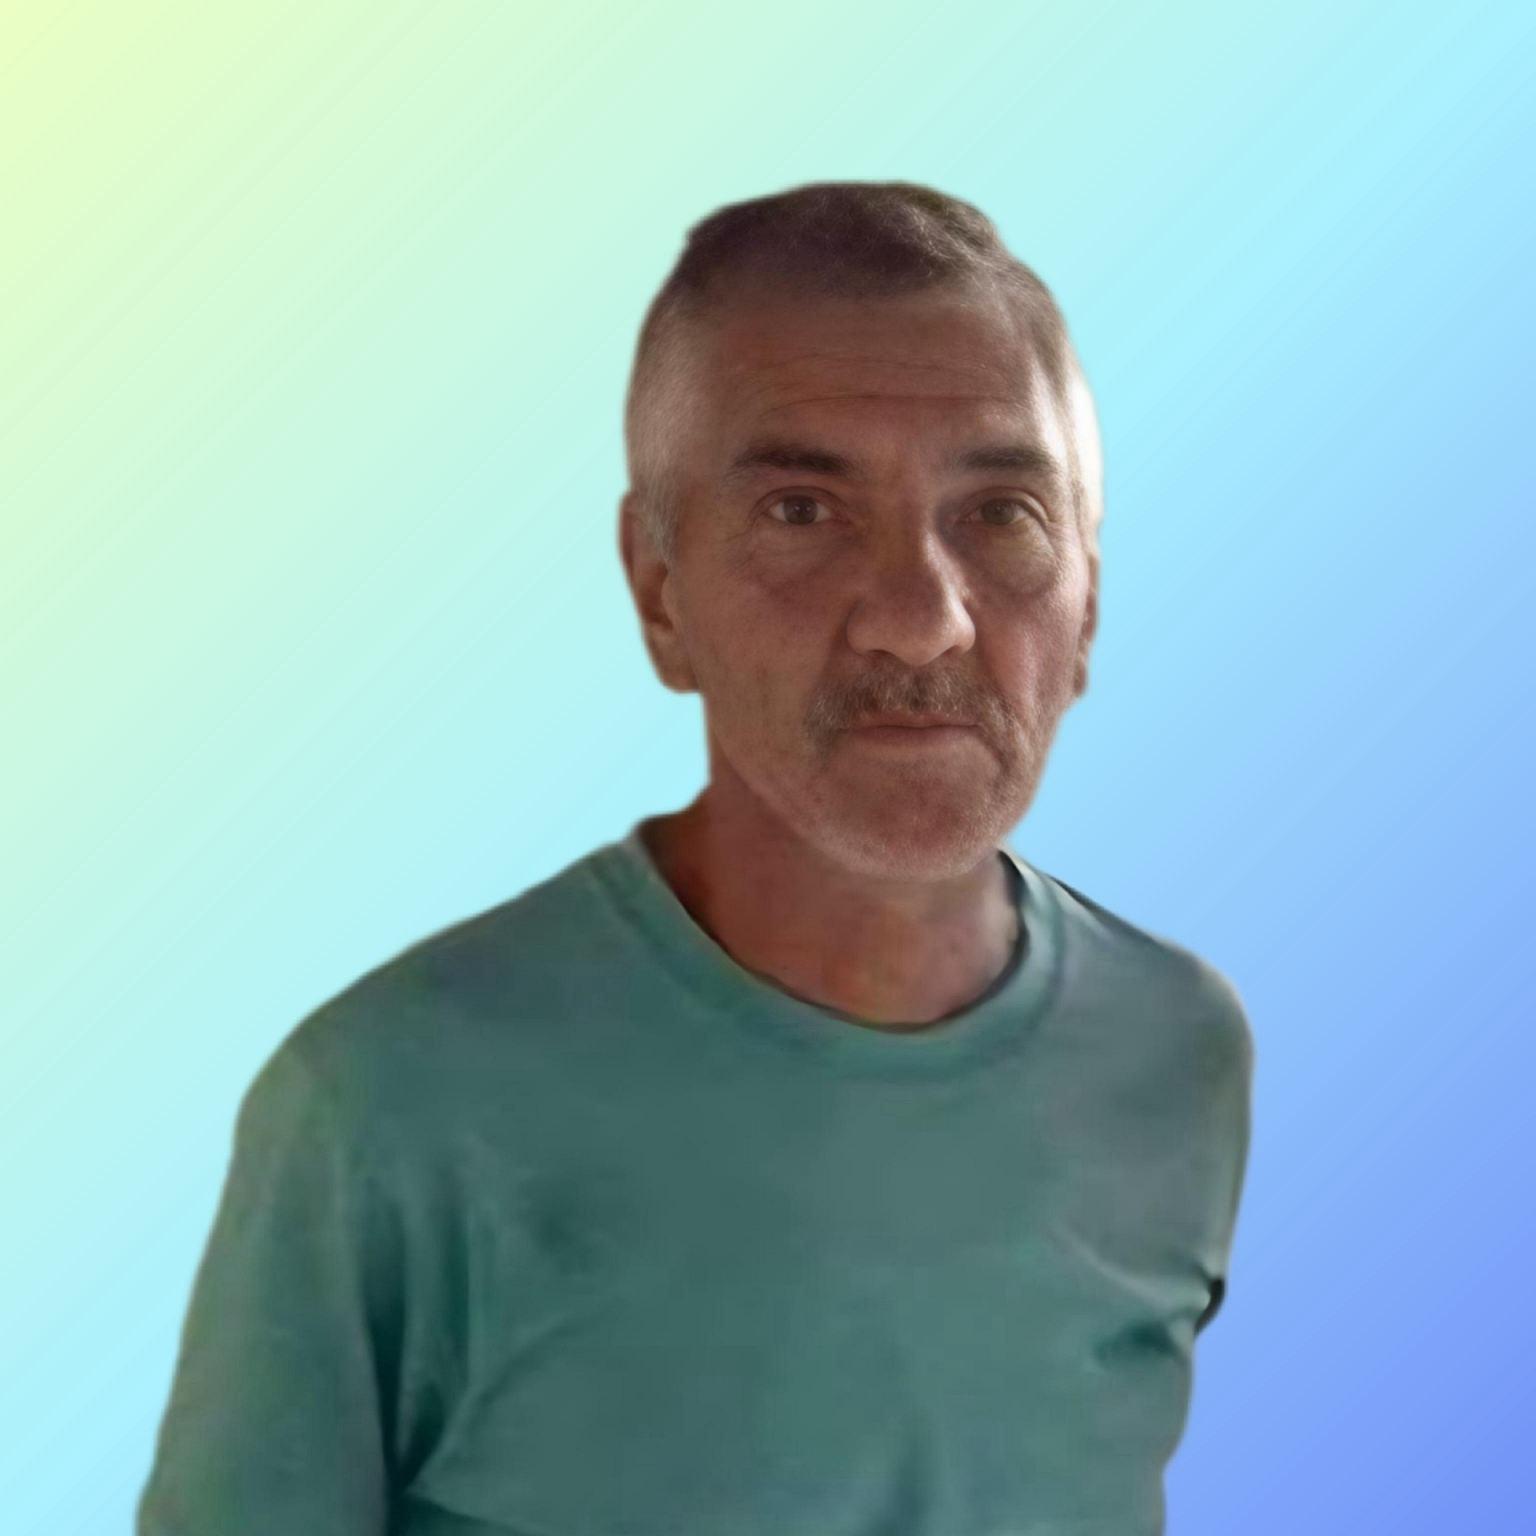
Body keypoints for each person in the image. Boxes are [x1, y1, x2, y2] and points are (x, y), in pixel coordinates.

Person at [137, 180, 1254, 1536]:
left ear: (1088, 600)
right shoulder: (387, 1108)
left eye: (1002, 511)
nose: (921, 618)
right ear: (659, 591)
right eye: (802, 510)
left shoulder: (1176, 1054)